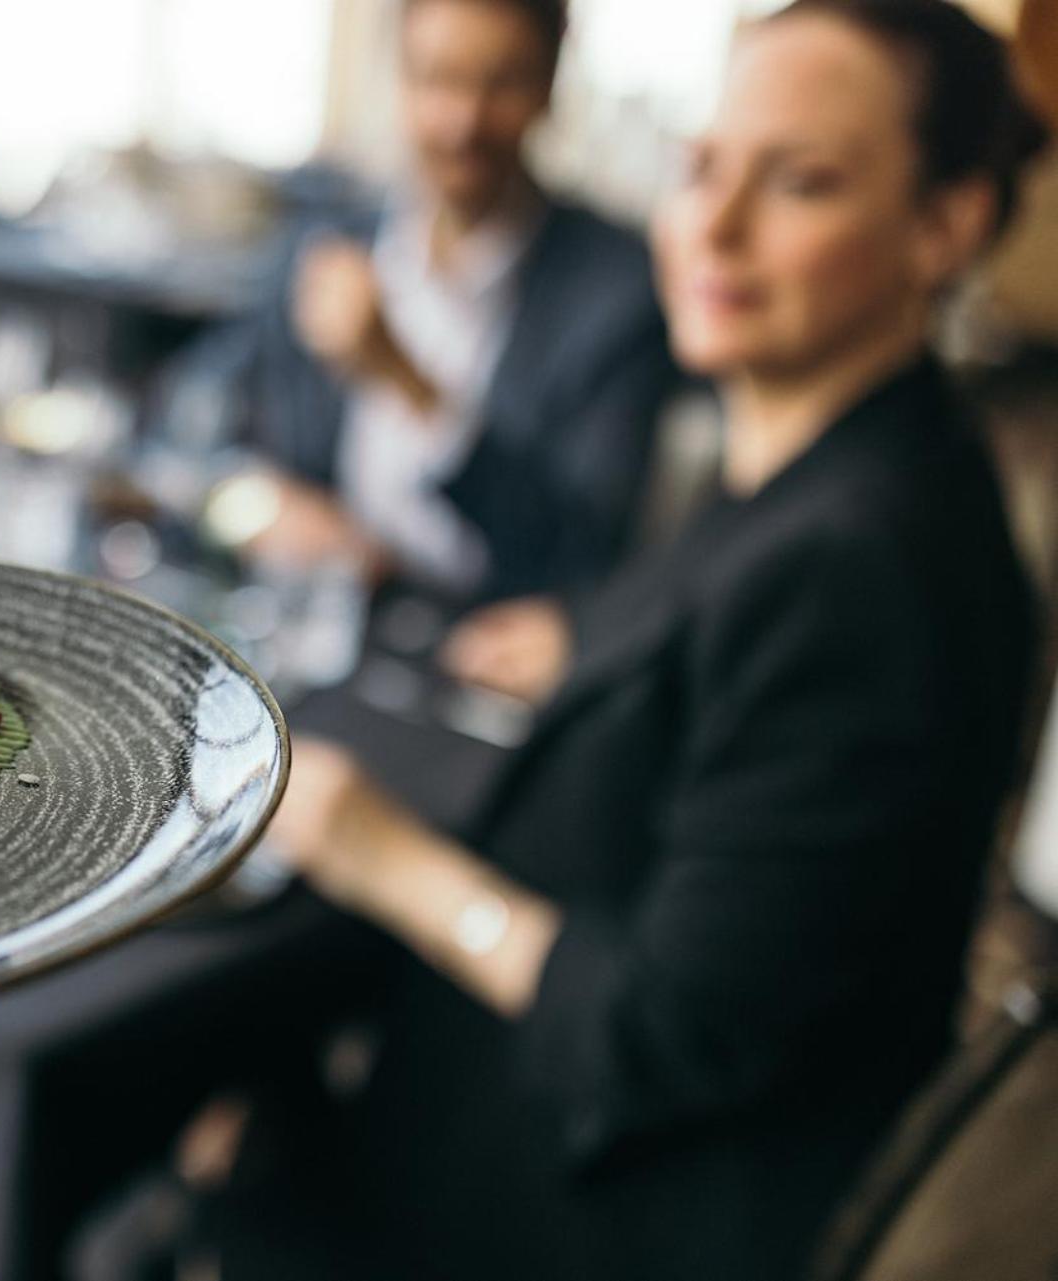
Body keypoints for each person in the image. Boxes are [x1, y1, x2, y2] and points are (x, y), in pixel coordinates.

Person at [258, 1, 1047, 1277]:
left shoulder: (861, 564)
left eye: (800, 181)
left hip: (620, 1204)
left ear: (945, 226)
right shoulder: (830, 461)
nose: (712, 227)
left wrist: (377, 855)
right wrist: (593, 631)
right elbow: (718, 618)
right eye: (700, 167)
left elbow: (662, 1036)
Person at [194, 0, 677, 601]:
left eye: (501, 83)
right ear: (401, 79)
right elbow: (194, 425)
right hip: (315, 616)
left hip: (477, 635)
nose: (463, 123)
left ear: (549, 85)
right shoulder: (328, 243)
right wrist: (256, 508)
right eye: (440, 79)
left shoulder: (616, 289)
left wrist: (405, 380)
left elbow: (579, 551)